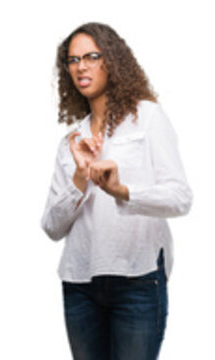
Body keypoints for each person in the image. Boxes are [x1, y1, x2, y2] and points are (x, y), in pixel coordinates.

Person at [40, 22, 190, 360]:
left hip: (137, 280)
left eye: (92, 56)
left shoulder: (148, 118)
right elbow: (51, 227)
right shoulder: (71, 142)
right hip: (79, 283)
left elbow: (180, 198)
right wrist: (80, 179)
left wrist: (122, 191)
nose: (81, 66)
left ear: (113, 60)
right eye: (73, 59)